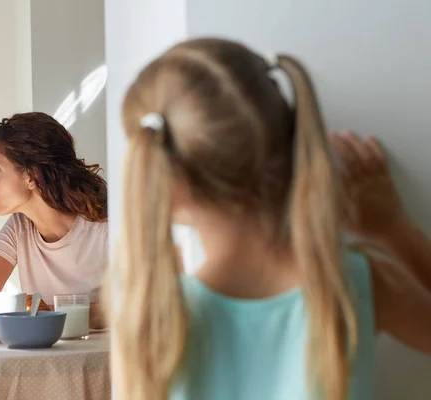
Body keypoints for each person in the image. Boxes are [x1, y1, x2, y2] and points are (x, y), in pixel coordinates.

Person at [110, 38, 431, 400]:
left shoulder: (147, 319)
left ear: (165, 183)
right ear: (289, 140)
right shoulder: (355, 283)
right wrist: (392, 227)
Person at [0, 112, 108, 328]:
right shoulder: (19, 226)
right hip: (44, 354)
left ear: (32, 175)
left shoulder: (104, 225)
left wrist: (42, 314)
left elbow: (134, 306)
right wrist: (41, 313)